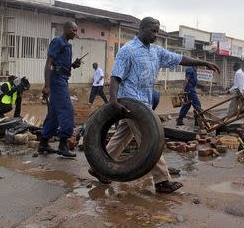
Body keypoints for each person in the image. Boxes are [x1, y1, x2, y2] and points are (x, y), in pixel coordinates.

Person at [88, 17, 220, 193]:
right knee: (150, 139)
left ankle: (99, 167)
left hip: (145, 103)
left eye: (157, 31)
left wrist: (203, 62)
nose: (155, 34)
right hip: (130, 104)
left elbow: (179, 58)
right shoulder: (128, 51)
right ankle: (162, 181)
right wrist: (113, 101)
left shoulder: (156, 51)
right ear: (142, 29)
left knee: (124, 136)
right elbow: (115, 77)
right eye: (152, 30)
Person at [38, 21, 82, 158]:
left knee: (54, 113)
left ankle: (43, 142)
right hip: (56, 80)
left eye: (76, 31)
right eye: (73, 30)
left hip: (62, 78)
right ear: (66, 29)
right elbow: (49, 63)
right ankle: (63, 145)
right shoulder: (58, 41)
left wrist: (73, 65)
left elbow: (62, 65)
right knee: (67, 110)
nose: (76, 33)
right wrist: (47, 85)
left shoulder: (68, 45)